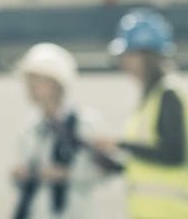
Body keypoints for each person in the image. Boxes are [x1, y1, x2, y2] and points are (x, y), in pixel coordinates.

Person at [89, 8, 188, 219]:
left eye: (129, 55)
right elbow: (148, 160)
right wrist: (114, 163)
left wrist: (121, 144)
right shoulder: (149, 99)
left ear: (148, 55)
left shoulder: (169, 95)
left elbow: (173, 153)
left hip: (172, 213)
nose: (124, 63)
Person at [9, 43, 112, 219]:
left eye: (37, 81)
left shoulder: (83, 123)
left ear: (57, 83)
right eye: (29, 81)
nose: (30, 88)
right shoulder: (30, 128)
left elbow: (105, 170)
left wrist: (66, 175)